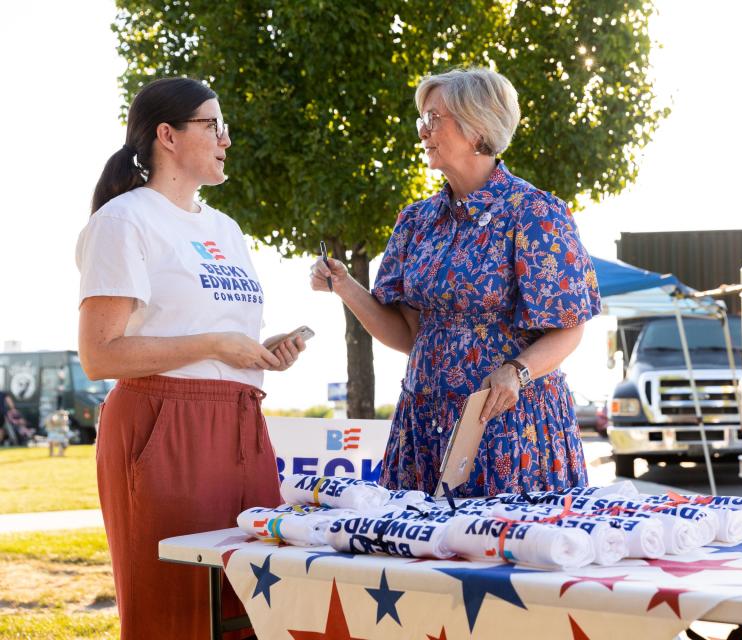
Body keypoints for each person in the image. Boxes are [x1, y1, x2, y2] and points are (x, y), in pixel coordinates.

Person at [77, 77, 305, 640]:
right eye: (213, 124)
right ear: (167, 136)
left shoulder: (225, 228)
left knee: (251, 603)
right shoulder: (124, 220)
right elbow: (99, 354)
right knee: (178, 610)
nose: (226, 138)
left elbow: (209, 335)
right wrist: (211, 344)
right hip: (163, 425)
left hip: (240, 423)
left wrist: (256, 352)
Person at [311, 67, 601, 497]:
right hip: (424, 425)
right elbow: (410, 334)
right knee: (417, 560)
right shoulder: (416, 221)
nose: (423, 132)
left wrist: (517, 372)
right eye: (421, 120)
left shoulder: (535, 213)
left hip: (510, 424)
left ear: (476, 125)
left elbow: (569, 326)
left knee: (502, 558)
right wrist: (346, 286)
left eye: (433, 119)